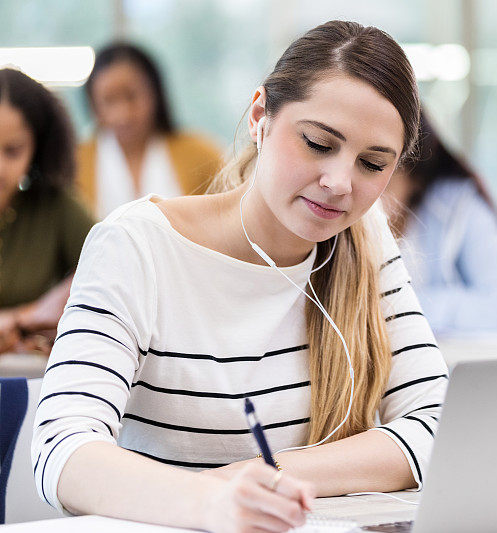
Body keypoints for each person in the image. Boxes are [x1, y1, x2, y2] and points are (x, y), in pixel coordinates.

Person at [33, 21, 448, 533]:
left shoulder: (365, 239)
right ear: (260, 117)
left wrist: (261, 475)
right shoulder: (137, 245)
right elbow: (61, 451)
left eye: (372, 163)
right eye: (319, 143)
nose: (340, 184)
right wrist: (208, 503)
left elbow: (439, 428)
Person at [383, 110, 497, 336]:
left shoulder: (459, 208)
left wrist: (393, 310)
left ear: (415, 179)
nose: (361, 192)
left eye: (374, 166)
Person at [0, 68, 95, 355]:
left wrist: (29, 315)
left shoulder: (56, 206)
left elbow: (116, 263)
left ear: (38, 149)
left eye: (13, 151)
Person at [77, 42, 223, 218]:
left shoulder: (202, 155)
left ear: (155, 92)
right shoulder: (75, 163)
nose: (123, 114)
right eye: (109, 100)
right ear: (92, 103)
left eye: (131, 96)